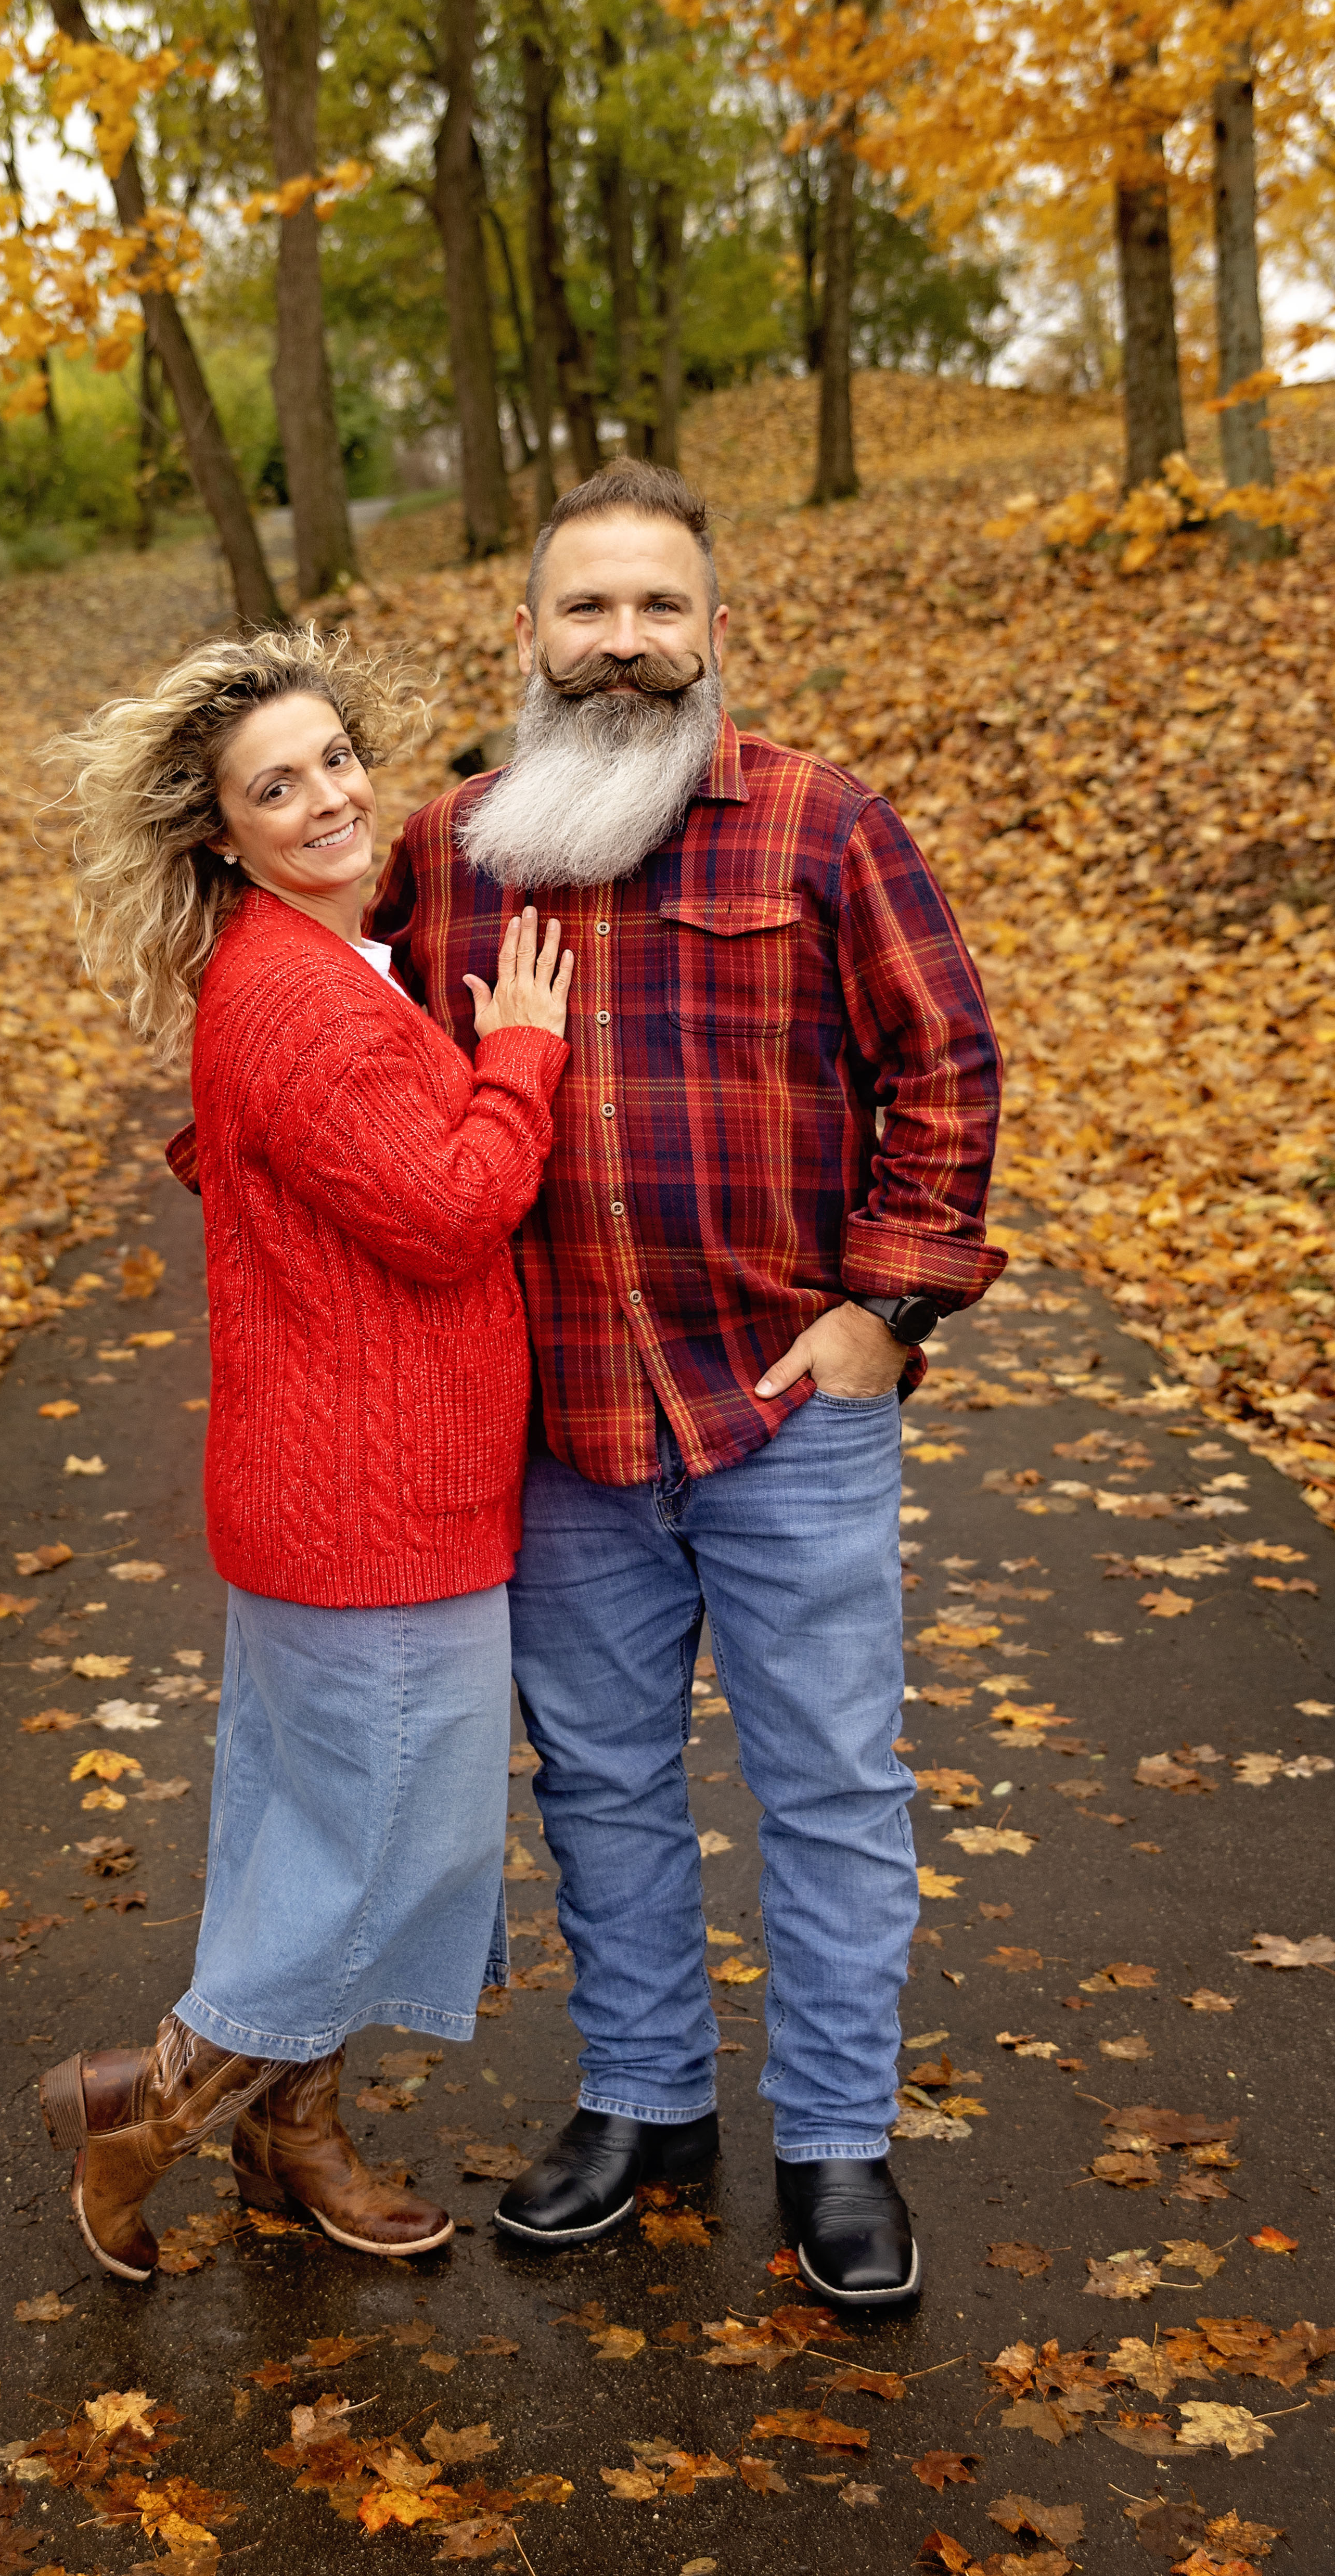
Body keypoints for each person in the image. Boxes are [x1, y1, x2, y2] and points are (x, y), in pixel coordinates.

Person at [366, 461, 1005, 2312]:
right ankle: (644, 2103)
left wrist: (890, 1307)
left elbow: (946, 1064)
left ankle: (833, 2140)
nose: (625, 643)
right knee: (606, 1780)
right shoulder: (452, 850)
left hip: (783, 1403)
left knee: (825, 1784)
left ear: (717, 636)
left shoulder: (822, 828)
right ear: (531, 637)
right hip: (557, 1415)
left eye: (660, 610)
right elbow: (367, 1084)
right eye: (590, 609)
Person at [37, 626, 573, 2279]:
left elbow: (275, 1165)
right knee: (388, 1850)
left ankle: (296, 2136)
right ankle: (143, 2105)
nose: (330, 797)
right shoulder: (298, 998)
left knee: (312, 1830)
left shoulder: (324, 965)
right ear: (222, 831)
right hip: (371, 1508)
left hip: (333, 1490)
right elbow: (451, 1210)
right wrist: (527, 1050)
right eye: (277, 787)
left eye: (337, 759)